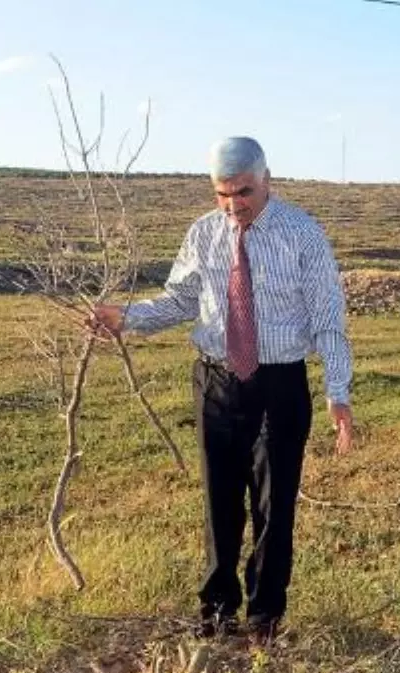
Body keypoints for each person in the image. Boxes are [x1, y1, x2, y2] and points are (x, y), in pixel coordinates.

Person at [92, 136, 354, 643]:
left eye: (244, 192)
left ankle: (264, 618)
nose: (234, 205)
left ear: (267, 180)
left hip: (279, 384)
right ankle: (216, 610)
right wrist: (126, 318)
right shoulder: (204, 235)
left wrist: (337, 391)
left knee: (273, 507)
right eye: (223, 194)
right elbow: (178, 301)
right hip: (215, 382)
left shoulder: (303, 235)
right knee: (219, 503)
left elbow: (328, 320)